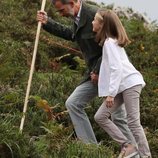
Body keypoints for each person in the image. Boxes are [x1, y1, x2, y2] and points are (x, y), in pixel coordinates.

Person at [37, 0, 136, 146]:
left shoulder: (96, 14)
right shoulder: (76, 17)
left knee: (118, 118)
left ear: (72, 3)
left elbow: (112, 47)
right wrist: (47, 22)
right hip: (94, 75)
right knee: (73, 103)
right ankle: (91, 149)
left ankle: (136, 153)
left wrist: (97, 70)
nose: (60, 14)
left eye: (61, 10)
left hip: (112, 74)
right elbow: (72, 34)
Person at [92, 9, 151, 157]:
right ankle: (127, 145)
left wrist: (111, 94)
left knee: (133, 122)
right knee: (100, 116)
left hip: (130, 83)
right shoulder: (109, 42)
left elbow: (116, 69)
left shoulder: (109, 43)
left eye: (94, 20)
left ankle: (145, 155)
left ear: (102, 24)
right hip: (121, 86)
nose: (92, 22)